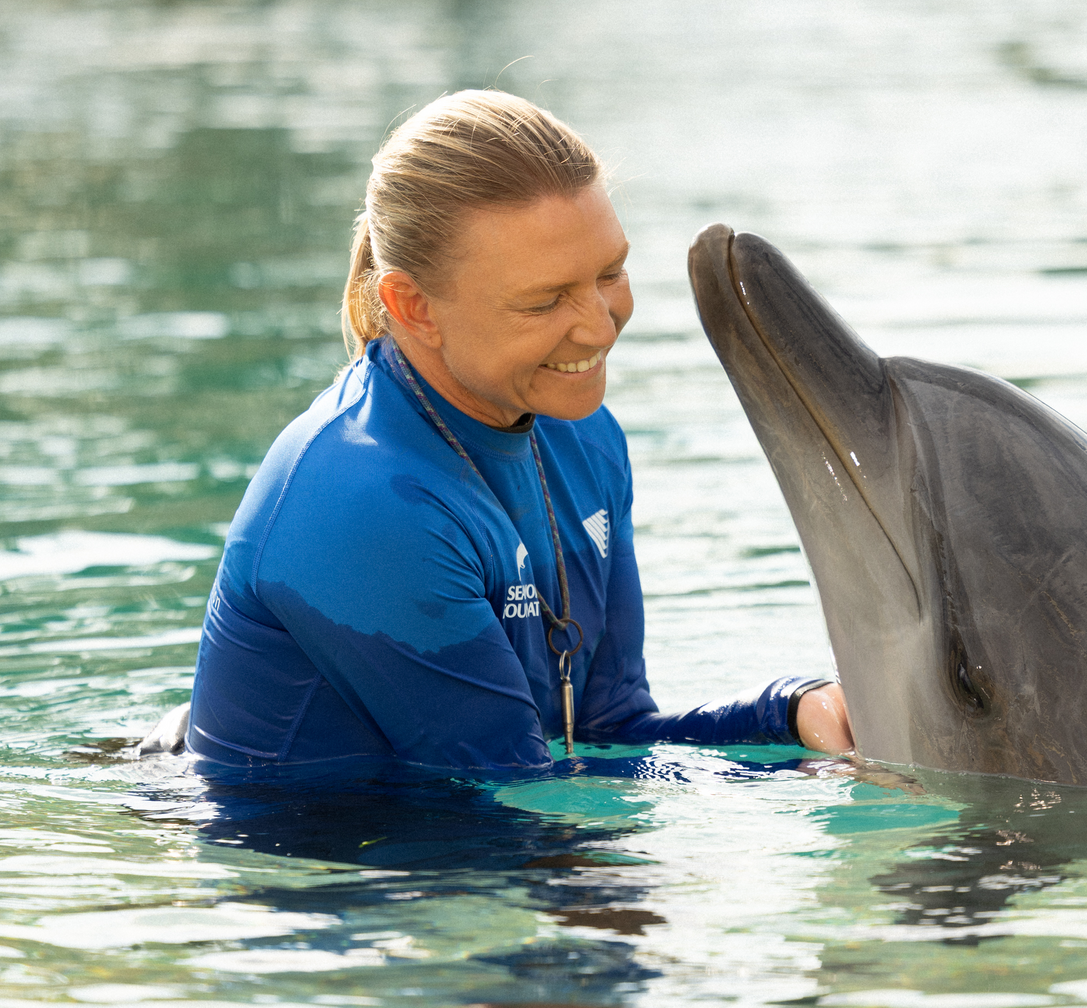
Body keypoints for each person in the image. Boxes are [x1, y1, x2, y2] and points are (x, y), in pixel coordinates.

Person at [182, 90, 853, 778]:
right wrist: (778, 783)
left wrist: (791, 714)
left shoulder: (581, 436)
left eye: (610, 273)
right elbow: (517, 802)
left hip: (476, 839)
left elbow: (609, 730)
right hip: (322, 866)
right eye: (543, 301)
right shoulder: (363, 502)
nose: (600, 327)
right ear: (415, 308)